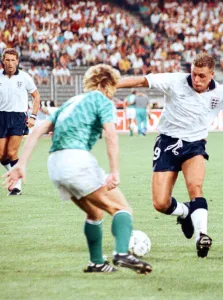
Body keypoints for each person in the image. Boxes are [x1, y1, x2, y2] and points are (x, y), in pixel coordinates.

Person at [2, 64, 152, 274]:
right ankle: (121, 253)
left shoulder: (71, 101)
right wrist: (114, 171)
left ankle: (97, 262)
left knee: (94, 212)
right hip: (76, 160)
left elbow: (39, 129)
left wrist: (21, 164)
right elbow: (111, 135)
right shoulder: (102, 100)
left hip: (55, 164)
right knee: (122, 209)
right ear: (106, 84)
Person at [117, 53, 223, 258]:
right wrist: (114, 85)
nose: (196, 79)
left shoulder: (221, 93)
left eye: (202, 76)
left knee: (195, 187)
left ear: (212, 75)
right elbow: (144, 80)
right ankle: (185, 213)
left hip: (195, 145)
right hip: (167, 142)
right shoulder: (175, 81)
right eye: (194, 74)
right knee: (160, 203)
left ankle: (202, 236)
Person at [0, 48, 41, 195]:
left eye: (13, 60)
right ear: (3, 61)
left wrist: (33, 116)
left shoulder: (25, 77)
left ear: (17, 61)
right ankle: (14, 174)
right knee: (1, 155)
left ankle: (16, 186)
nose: (10, 63)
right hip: (1, 117)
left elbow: (36, 96)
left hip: (18, 117)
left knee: (11, 152)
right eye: (7, 60)